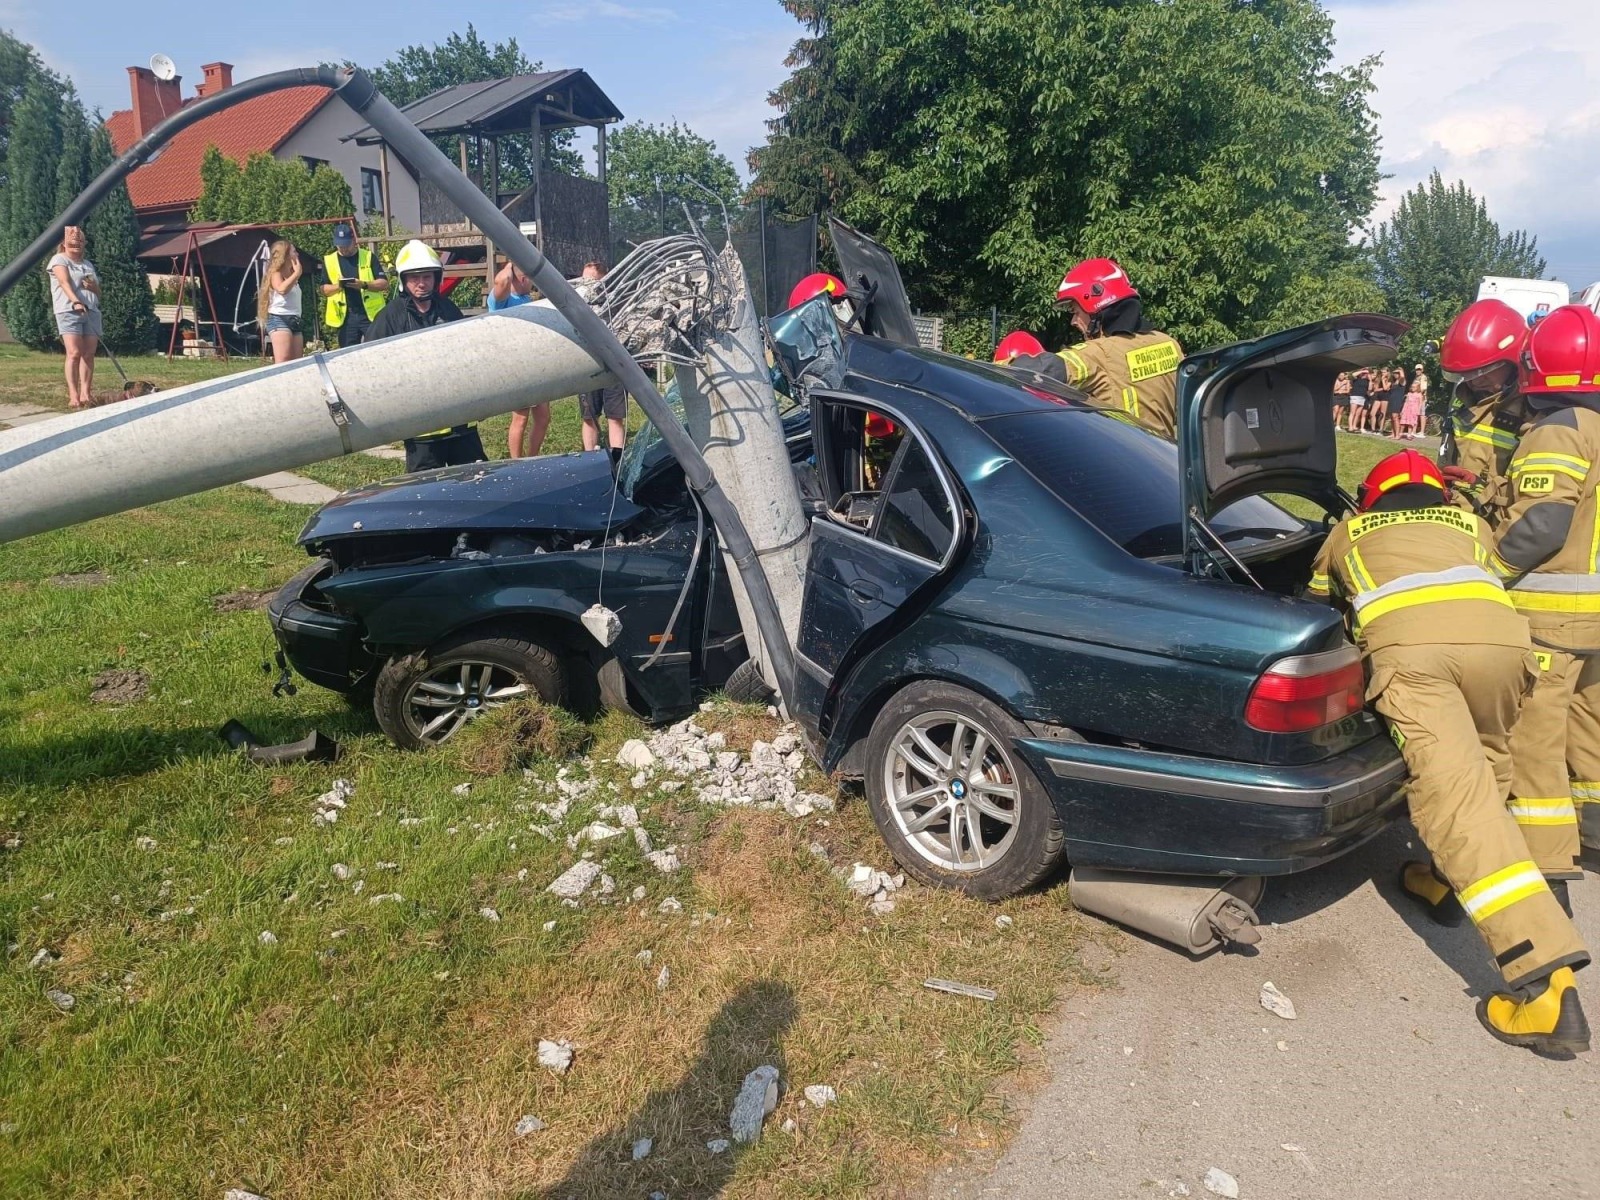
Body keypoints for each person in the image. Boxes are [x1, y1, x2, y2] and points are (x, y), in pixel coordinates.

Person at [1307, 448, 1589, 1055]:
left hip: (1417, 659)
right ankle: (1441, 884)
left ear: (1371, 498)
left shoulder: (1349, 530)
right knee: (1488, 772)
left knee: (1457, 803)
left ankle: (1545, 983)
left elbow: (1315, 605)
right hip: (1503, 648)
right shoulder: (1470, 523)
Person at [1492, 304, 1600, 885]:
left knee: (1535, 739)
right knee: (1590, 727)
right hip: (1596, 623)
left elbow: (1541, 525)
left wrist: (1488, 568)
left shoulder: (1559, 429)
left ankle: (1546, 860)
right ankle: (1595, 829)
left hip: (1554, 620)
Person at [364, 240, 483, 472]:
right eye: (414, 278)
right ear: (403, 280)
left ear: (436, 278)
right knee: (424, 493)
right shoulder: (390, 318)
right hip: (421, 432)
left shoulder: (448, 310)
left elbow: (468, 356)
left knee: (474, 483)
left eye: (427, 277)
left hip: (459, 423)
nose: (421, 284)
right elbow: (371, 363)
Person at [1048, 259, 1182, 439]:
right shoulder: (1169, 344)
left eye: (1074, 311)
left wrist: (997, 372)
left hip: (1121, 460)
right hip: (1165, 459)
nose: (1073, 321)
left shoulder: (1100, 353)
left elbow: (1045, 367)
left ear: (1094, 306)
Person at [1439, 298, 1529, 522]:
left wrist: (1482, 492)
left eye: (1485, 371)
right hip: (1455, 518)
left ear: (1513, 363)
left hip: (1494, 528)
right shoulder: (1466, 398)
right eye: (1468, 374)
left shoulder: (1531, 411)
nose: (1475, 382)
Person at [488, 259, 552, 459]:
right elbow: (501, 282)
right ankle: (517, 462)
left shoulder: (526, 299)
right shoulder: (501, 301)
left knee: (543, 417)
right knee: (521, 418)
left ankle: (532, 457)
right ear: (523, 278)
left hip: (533, 365)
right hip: (516, 367)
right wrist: (510, 266)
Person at [576, 261, 627, 469]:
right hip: (587, 364)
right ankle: (591, 462)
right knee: (589, 416)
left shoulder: (615, 303)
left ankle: (618, 461)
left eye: (590, 281)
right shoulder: (576, 305)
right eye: (583, 280)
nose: (585, 286)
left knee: (615, 416)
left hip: (614, 365)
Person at [48, 226, 101, 409]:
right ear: (63, 243)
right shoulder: (59, 260)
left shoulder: (87, 264)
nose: (77, 244)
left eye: (80, 241)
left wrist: (93, 288)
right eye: (72, 241)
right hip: (68, 310)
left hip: (92, 311)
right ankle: (73, 395)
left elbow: (97, 291)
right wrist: (76, 301)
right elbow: (63, 282)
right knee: (74, 353)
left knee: (89, 353)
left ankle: (86, 393)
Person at [319, 223, 388, 348]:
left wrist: (363, 285)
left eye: (346, 245)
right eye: (340, 245)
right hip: (346, 317)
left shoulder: (368, 256)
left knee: (377, 348)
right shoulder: (329, 260)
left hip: (370, 315)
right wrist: (339, 286)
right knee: (348, 353)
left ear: (354, 241)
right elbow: (323, 289)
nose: (343, 248)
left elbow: (383, 283)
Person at [258, 240, 304, 364]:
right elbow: (282, 289)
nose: (297, 254)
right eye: (294, 251)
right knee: (284, 360)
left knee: (298, 362)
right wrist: (297, 273)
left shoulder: (291, 274)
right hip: (279, 318)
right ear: (286, 255)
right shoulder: (276, 273)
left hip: (295, 319)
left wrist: (294, 274)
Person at [1398, 364, 1428, 438]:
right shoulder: (1416, 377)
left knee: (1421, 414)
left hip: (1420, 398)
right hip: (1414, 398)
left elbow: (1423, 388)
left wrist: (1417, 395)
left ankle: (1422, 432)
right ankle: (1413, 431)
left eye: (1419, 369)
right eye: (1417, 369)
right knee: (1415, 415)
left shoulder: (1423, 377)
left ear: (1422, 370)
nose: (1418, 371)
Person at [1347, 368, 1370, 432]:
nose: (1365, 374)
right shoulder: (1356, 378)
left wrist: (1370, 379)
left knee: (1358, 413)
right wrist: (1362, 371)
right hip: (1355, 396)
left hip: (1362, 397)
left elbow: (1370, 388)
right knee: (1352, 412)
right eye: (1364, 373)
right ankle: (1350, 427)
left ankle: (1354, 426)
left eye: (1366, 374)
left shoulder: (1367, 381)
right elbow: (1352, 375)